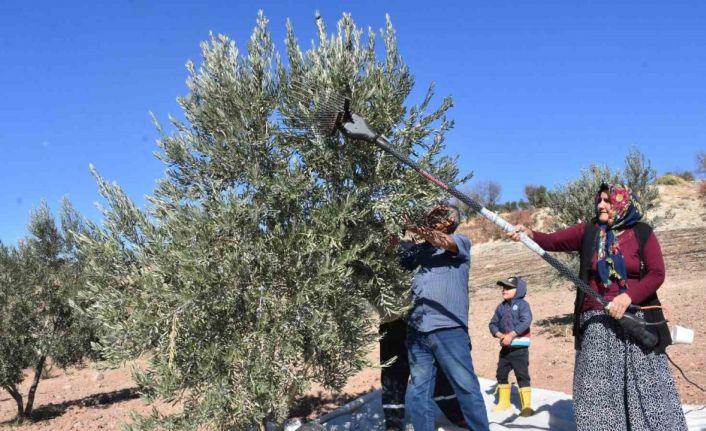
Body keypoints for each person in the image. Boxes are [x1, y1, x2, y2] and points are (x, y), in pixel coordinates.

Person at [508, 184, 687, 431]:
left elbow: (656, 273)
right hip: (596, 319)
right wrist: (527, 233)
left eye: (607, 201)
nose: (601, 205)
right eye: (599, 200)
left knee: (646, 384)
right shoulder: (589, 231)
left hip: (635, 320)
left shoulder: (642, 232)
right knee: (598, 387)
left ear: (622, 203)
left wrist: (627, 298)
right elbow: (551, 241)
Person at [401, 204, 490, 431]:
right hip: (416, 331)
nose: (430, 215)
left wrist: (413, 226)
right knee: (419, 392)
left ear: (449, 221)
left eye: (437, 214)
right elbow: (395, 258)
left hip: (448, 329)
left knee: (466, 387)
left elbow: (442, 241)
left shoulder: (459, 242)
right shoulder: (418, 251)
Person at [488, 275, 534, 417]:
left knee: (522, 375)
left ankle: (526, 406)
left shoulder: (523, 305)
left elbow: (526, 320)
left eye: (508, 287)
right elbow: (492, 324)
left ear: (518, 290)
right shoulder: (501, 307)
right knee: (501, 374)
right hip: (505, 348)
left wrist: (511, 335)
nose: (504, 290)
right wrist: (500, 335)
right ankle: (504, 402)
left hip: (520, 348)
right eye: (503, 287)